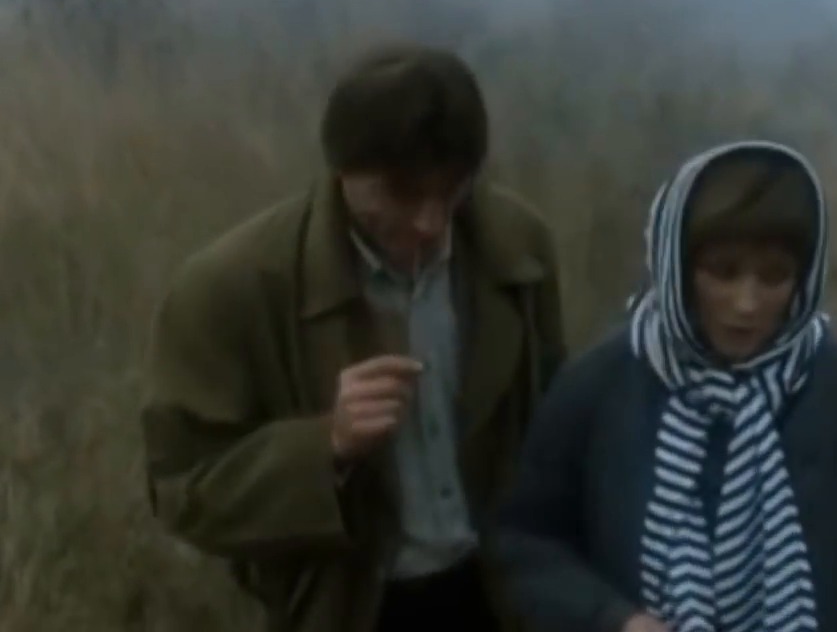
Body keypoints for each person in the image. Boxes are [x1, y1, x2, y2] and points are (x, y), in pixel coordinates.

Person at [139, 42, 567, 632]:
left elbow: (555, 427)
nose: (430, 221)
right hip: (349, 609)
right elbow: (182, 491)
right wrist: (326, 447)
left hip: (505, 598)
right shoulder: (229, 288)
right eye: (402, 194)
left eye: (452, 190)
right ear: (343, 170)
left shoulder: (517, 246)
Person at [492, 140, 837, 632]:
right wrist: (614, 620)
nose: (746, 303)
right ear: (677, 264)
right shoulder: (600, 387)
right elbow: (529, 546)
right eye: (723, 271)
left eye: (774, 277)